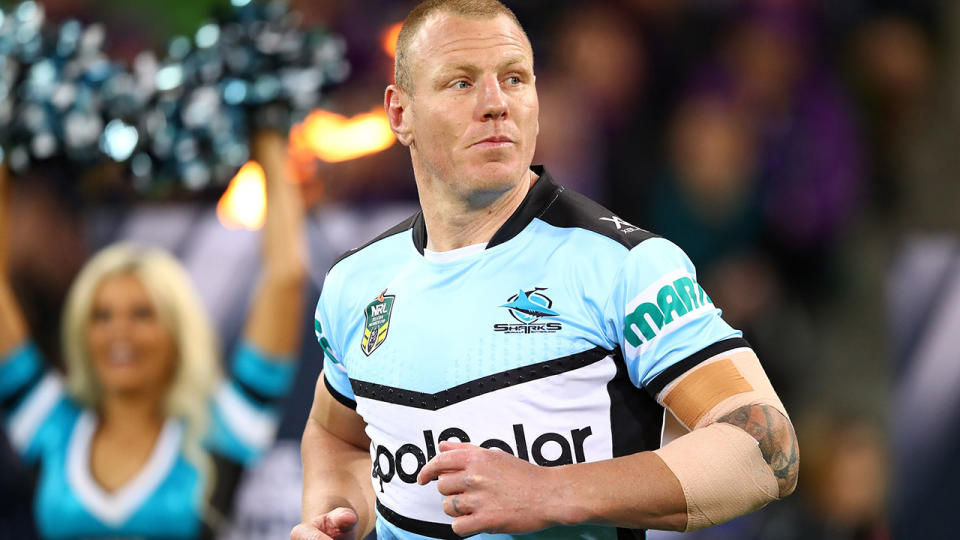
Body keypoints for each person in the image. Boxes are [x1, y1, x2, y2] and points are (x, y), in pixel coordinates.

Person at [292, 1, 799, 539]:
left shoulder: (623, 266)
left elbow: (765, 450)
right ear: (400, 113)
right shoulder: (355, 282)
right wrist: (334, 517)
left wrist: (553, 492)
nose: (495, 104)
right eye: (460, 83)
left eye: (513, 78)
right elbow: (337, 436)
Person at [0, 130, 307, 539]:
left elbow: (286, 279)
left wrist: (265, 136)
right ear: (80, 333)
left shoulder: (223, 427)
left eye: (142, 314)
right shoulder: (52, 424)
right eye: (101, 316)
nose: (119, 333)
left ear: (178, 331)